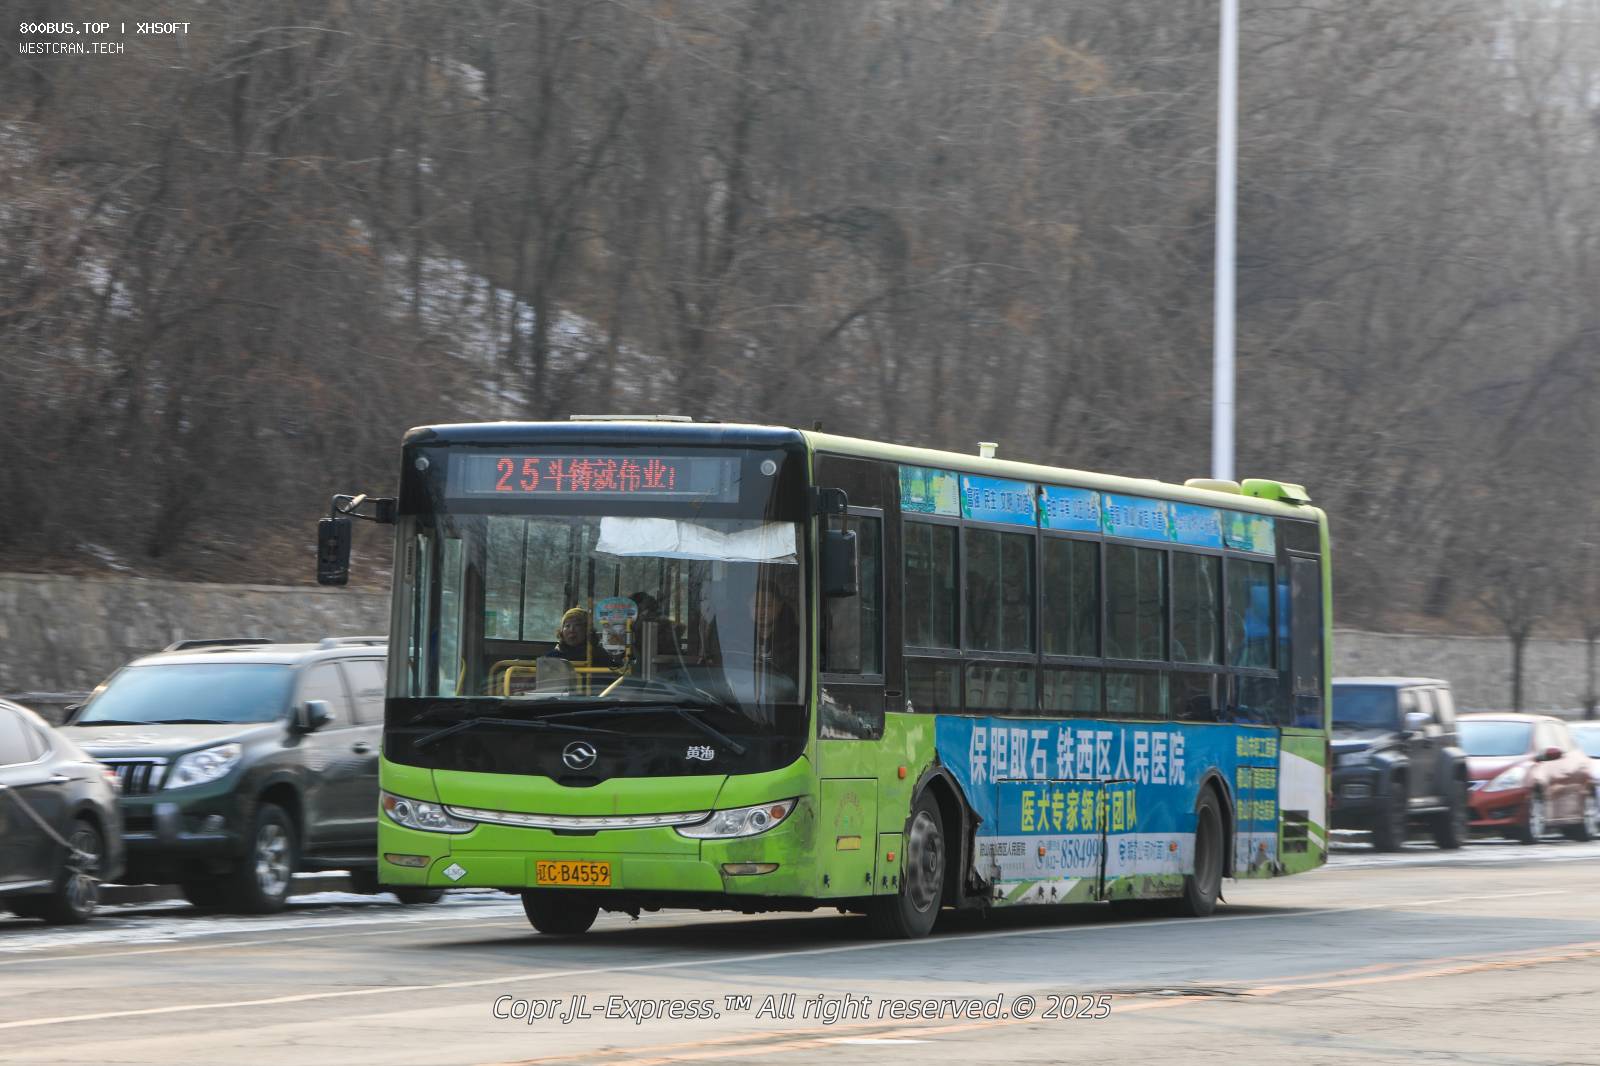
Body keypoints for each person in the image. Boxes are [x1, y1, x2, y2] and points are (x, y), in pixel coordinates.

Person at [543, 607, 618, 669]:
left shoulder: (599, 655)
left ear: (587, 630)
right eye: (567, 626)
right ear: (561, 631)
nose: (571, 629)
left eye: (577, 625)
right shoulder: (553, 657)